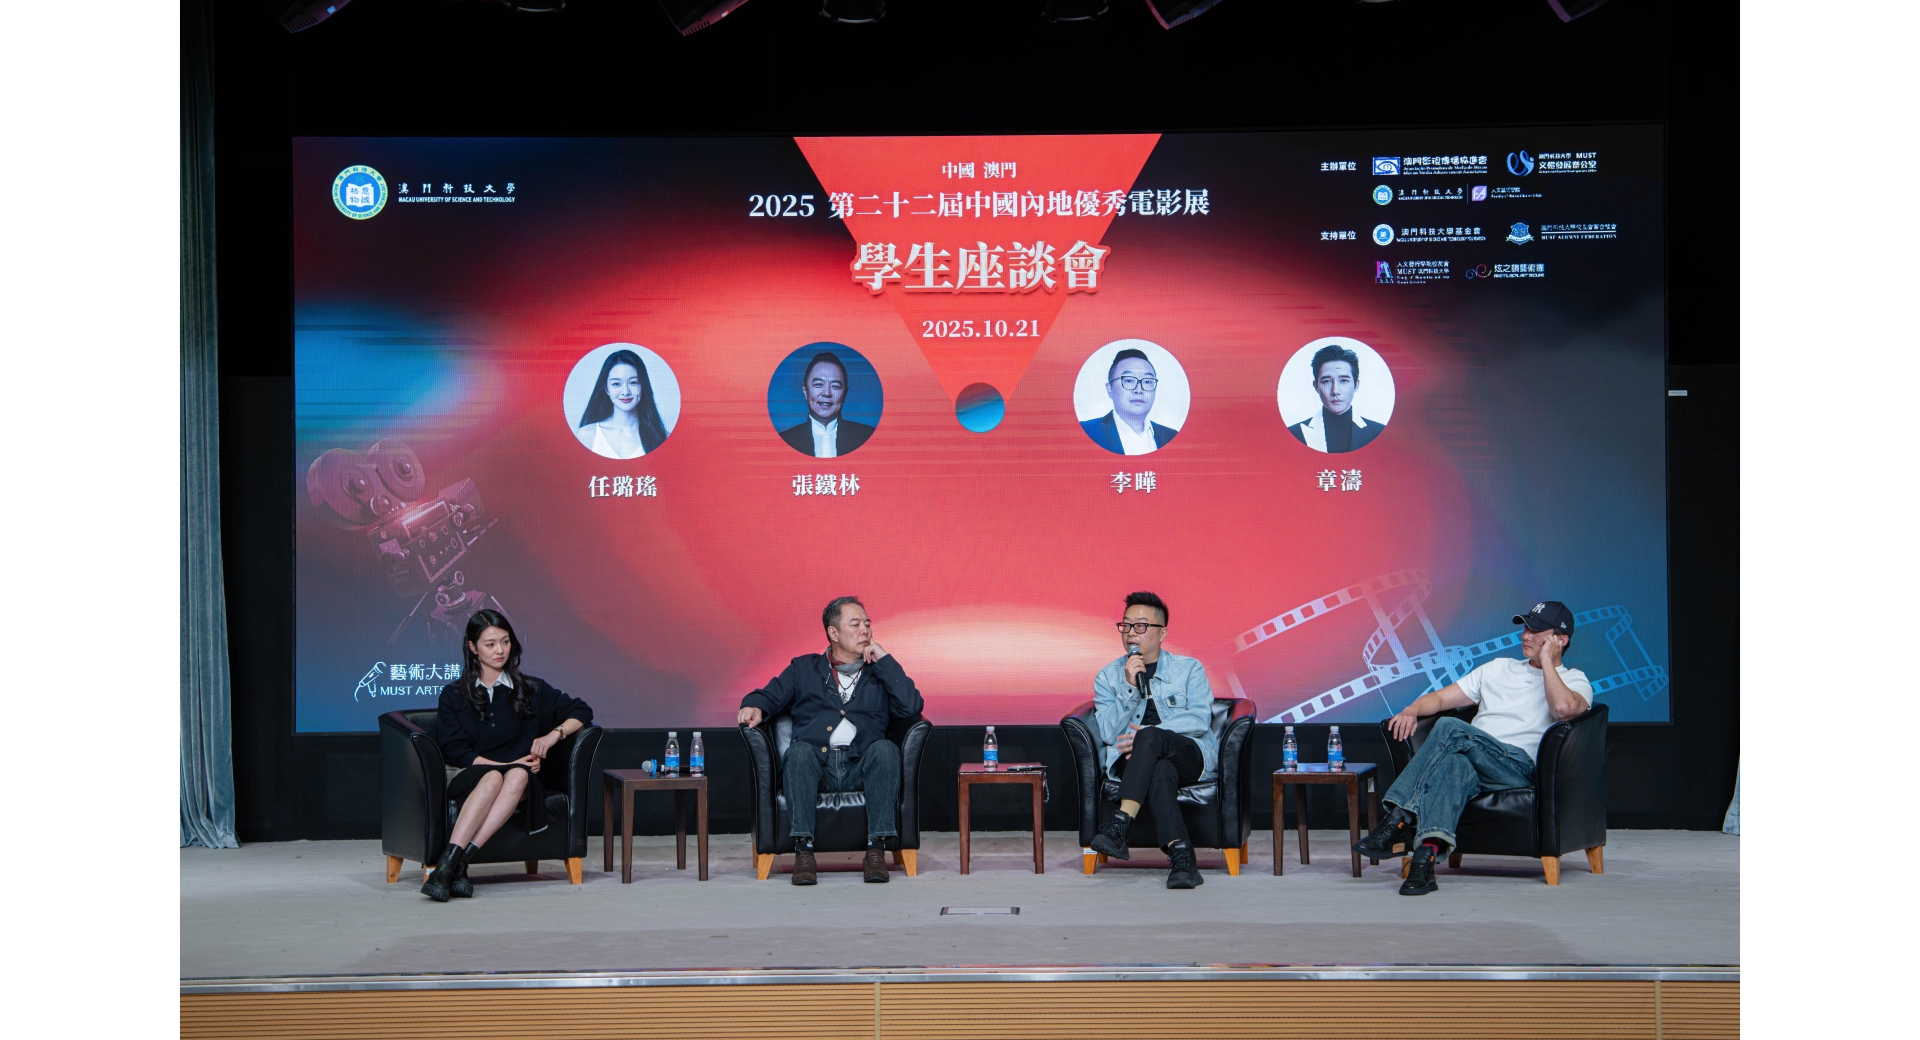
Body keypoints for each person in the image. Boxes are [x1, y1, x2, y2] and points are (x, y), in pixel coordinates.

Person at [1354, 601, 1593, 896]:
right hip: (1474, 759)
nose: (1525, 635)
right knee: (1454, 765)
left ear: (1561, 639)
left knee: (1450, 728)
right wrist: (1411, 710)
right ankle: (1424, 862)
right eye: (1525, 628)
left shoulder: (1574, 679)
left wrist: (1547, 662)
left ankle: (1397, 820)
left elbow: (1564, 709)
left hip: (1516, 768)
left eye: (1535, 630)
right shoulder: (1497, 668)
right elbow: (1440, 699)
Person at [737, 596, 923, 885]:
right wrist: (754, 706)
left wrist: (885, 660)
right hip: (818, 767)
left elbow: (911, 706)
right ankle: (804, 853)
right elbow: (768, 695)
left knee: (885, 749)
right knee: (798, 752)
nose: (865, 630)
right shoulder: (804, 669)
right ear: (833, 633)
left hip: (860, 766)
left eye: (867, 624)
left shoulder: (879, 673)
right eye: (855, 624)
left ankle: (876, 851)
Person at [422, 609, 594, 902]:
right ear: (473, 647)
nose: (500, 650)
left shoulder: (531, 689)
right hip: (471, 774)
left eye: (505, 641)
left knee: (515, 776)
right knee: (493, 777)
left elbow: (581, 711)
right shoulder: (453, 694)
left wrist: (553, 735)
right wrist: (505, 764)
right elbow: (455, 750)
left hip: (520, 780)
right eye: (490, 644)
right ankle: (457, 861)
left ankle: (452, 863)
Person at [1086, 591, 1219, 889]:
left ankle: (1121, 823)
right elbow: (1108, 733)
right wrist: (1128, 687)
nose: (1131, 633)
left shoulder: (1189, 669)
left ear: (1163, 633)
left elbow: (1199, 719)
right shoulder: (1108, 677)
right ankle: (1182, 857)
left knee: (1150, 737)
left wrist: (1149, 735)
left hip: (1188, 754)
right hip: (1133, 761)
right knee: (1160, 769)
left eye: (1141, 626)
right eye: (1126, 625)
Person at [1287, 343, 1387, 453]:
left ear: (1356, 385)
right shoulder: (1295, 433)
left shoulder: (1379, 432)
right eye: (1327, 381)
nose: (1335, 391)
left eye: (1343, 381)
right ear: (1316, 386)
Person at [1081, 349, 1180, 455]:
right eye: (1128, 380)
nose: (1139, 390)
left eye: (1147, 381)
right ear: (1109, 389)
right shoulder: (1086, 432)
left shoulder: (1171, 436)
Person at [778, 352, 876, 457]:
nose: (827, 393)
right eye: (818, 384)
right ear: (805, 390)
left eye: (835, 386)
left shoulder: (869, 437)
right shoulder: (783, 441)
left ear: (845, 393)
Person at [578, 348, 670, 459]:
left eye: (633, 382)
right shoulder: (587, 435)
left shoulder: (663, 438)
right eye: (616, 384)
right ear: (606, 389)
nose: (626, 392)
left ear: (643, 386)